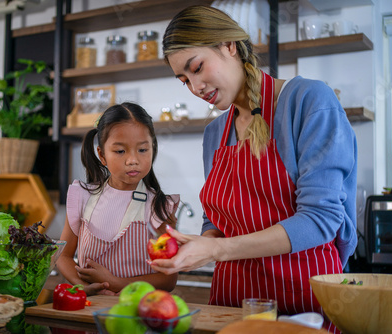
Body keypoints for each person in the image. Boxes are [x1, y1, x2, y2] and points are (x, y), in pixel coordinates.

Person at [149, 5, 357, 332]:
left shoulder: (309, 101)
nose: (195, 87)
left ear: (228, 45)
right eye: (184, 80)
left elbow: (321, 220)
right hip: (232, 303)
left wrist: (218, 248)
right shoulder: (214, 133)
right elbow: (214, 219)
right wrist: (201, 246)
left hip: (306, 302)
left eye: (197, 67)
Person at [56, 102, 179, 296]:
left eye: (142, 150)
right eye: (120, 151)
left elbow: (168, 278)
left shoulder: (159, 207)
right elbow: (63, 256)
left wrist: (114, 282)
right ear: (102, 155)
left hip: (139, 317)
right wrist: (82, 285)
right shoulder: (83, 196)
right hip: (90, 313)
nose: (133, 160)